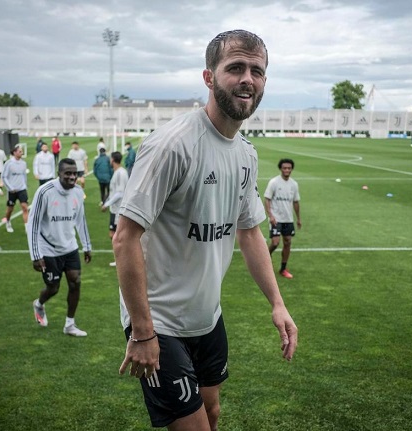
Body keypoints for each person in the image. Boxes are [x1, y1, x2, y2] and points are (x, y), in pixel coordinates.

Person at [113, 30, 298, 430]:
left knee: (212, 413)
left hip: (207, 317)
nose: (248, 78)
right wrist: (143, 331)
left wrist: (277, 303)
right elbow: (125, 237)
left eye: (257, 71)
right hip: (160, 320)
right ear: (209, 77)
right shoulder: (173, 146)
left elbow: (249, 232)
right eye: (235, 68)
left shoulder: (246, 154)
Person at [26, 158, 93, 337]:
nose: (72, 177)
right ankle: (39, 304)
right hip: (47, 248)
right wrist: (35, 254)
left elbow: (81, 220)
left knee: (75, 281)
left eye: (75, 173)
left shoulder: (78, 192)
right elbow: (33, 224)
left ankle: (69, 324)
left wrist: (87, 245)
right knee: (53, 287)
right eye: (68, 174)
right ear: (59, 173)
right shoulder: (45, 192)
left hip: (69, 246)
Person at [264, 158, 301, 280]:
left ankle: (283, 268)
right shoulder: (274, 182)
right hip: (276, 218)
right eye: (285, 168)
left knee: (287, 242)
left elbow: (296, 202)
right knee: (275, 242)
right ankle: (264, 260)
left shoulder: (294, 184)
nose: (287, 170)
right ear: (281, 168)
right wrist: (271, 216)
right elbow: (267, 199)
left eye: (289, 168)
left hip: (288, 219)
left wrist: (298, 218)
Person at [100, 151, 129, 267]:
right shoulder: (118, 172)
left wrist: (106, 204)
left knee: (117, 236)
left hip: (119, 210)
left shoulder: (121, 173)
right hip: (114, 209)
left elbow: (120, 193)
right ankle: (120, 259)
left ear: (112, 160)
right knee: (113, 234)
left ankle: (122, 260)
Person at [1, 145, 29, 233]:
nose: (22, 153)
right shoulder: (8, 163)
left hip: (22, 189)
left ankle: (27, 227)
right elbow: (4, 177)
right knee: (10, 209)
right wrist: (10, 188)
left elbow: (24, 175)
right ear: (14, 152)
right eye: (20, 151)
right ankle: (8, 222)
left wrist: (25, 185)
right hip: (12, 191)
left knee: (25, 207)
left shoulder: (23, 163)